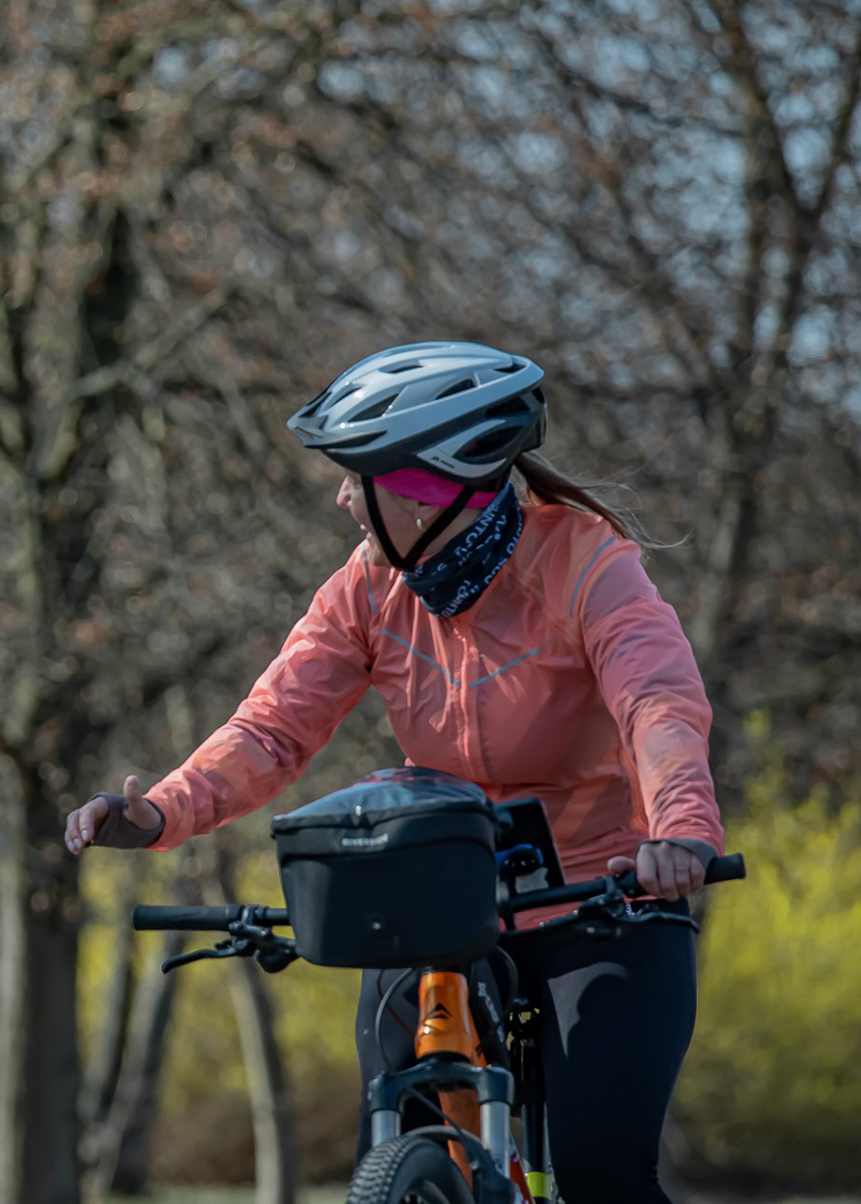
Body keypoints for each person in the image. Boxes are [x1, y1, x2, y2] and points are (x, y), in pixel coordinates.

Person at [64, 342, 724, 1204]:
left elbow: (657, 704)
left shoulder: (588, 565)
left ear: (428, 490)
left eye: (359, 479)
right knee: (399, 1128)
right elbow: (274, 727)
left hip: (607, 898)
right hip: (444, 898)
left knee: (601, 1166)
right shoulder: (369, 587)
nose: (343, 499)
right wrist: (160, 812)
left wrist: (679, 831)